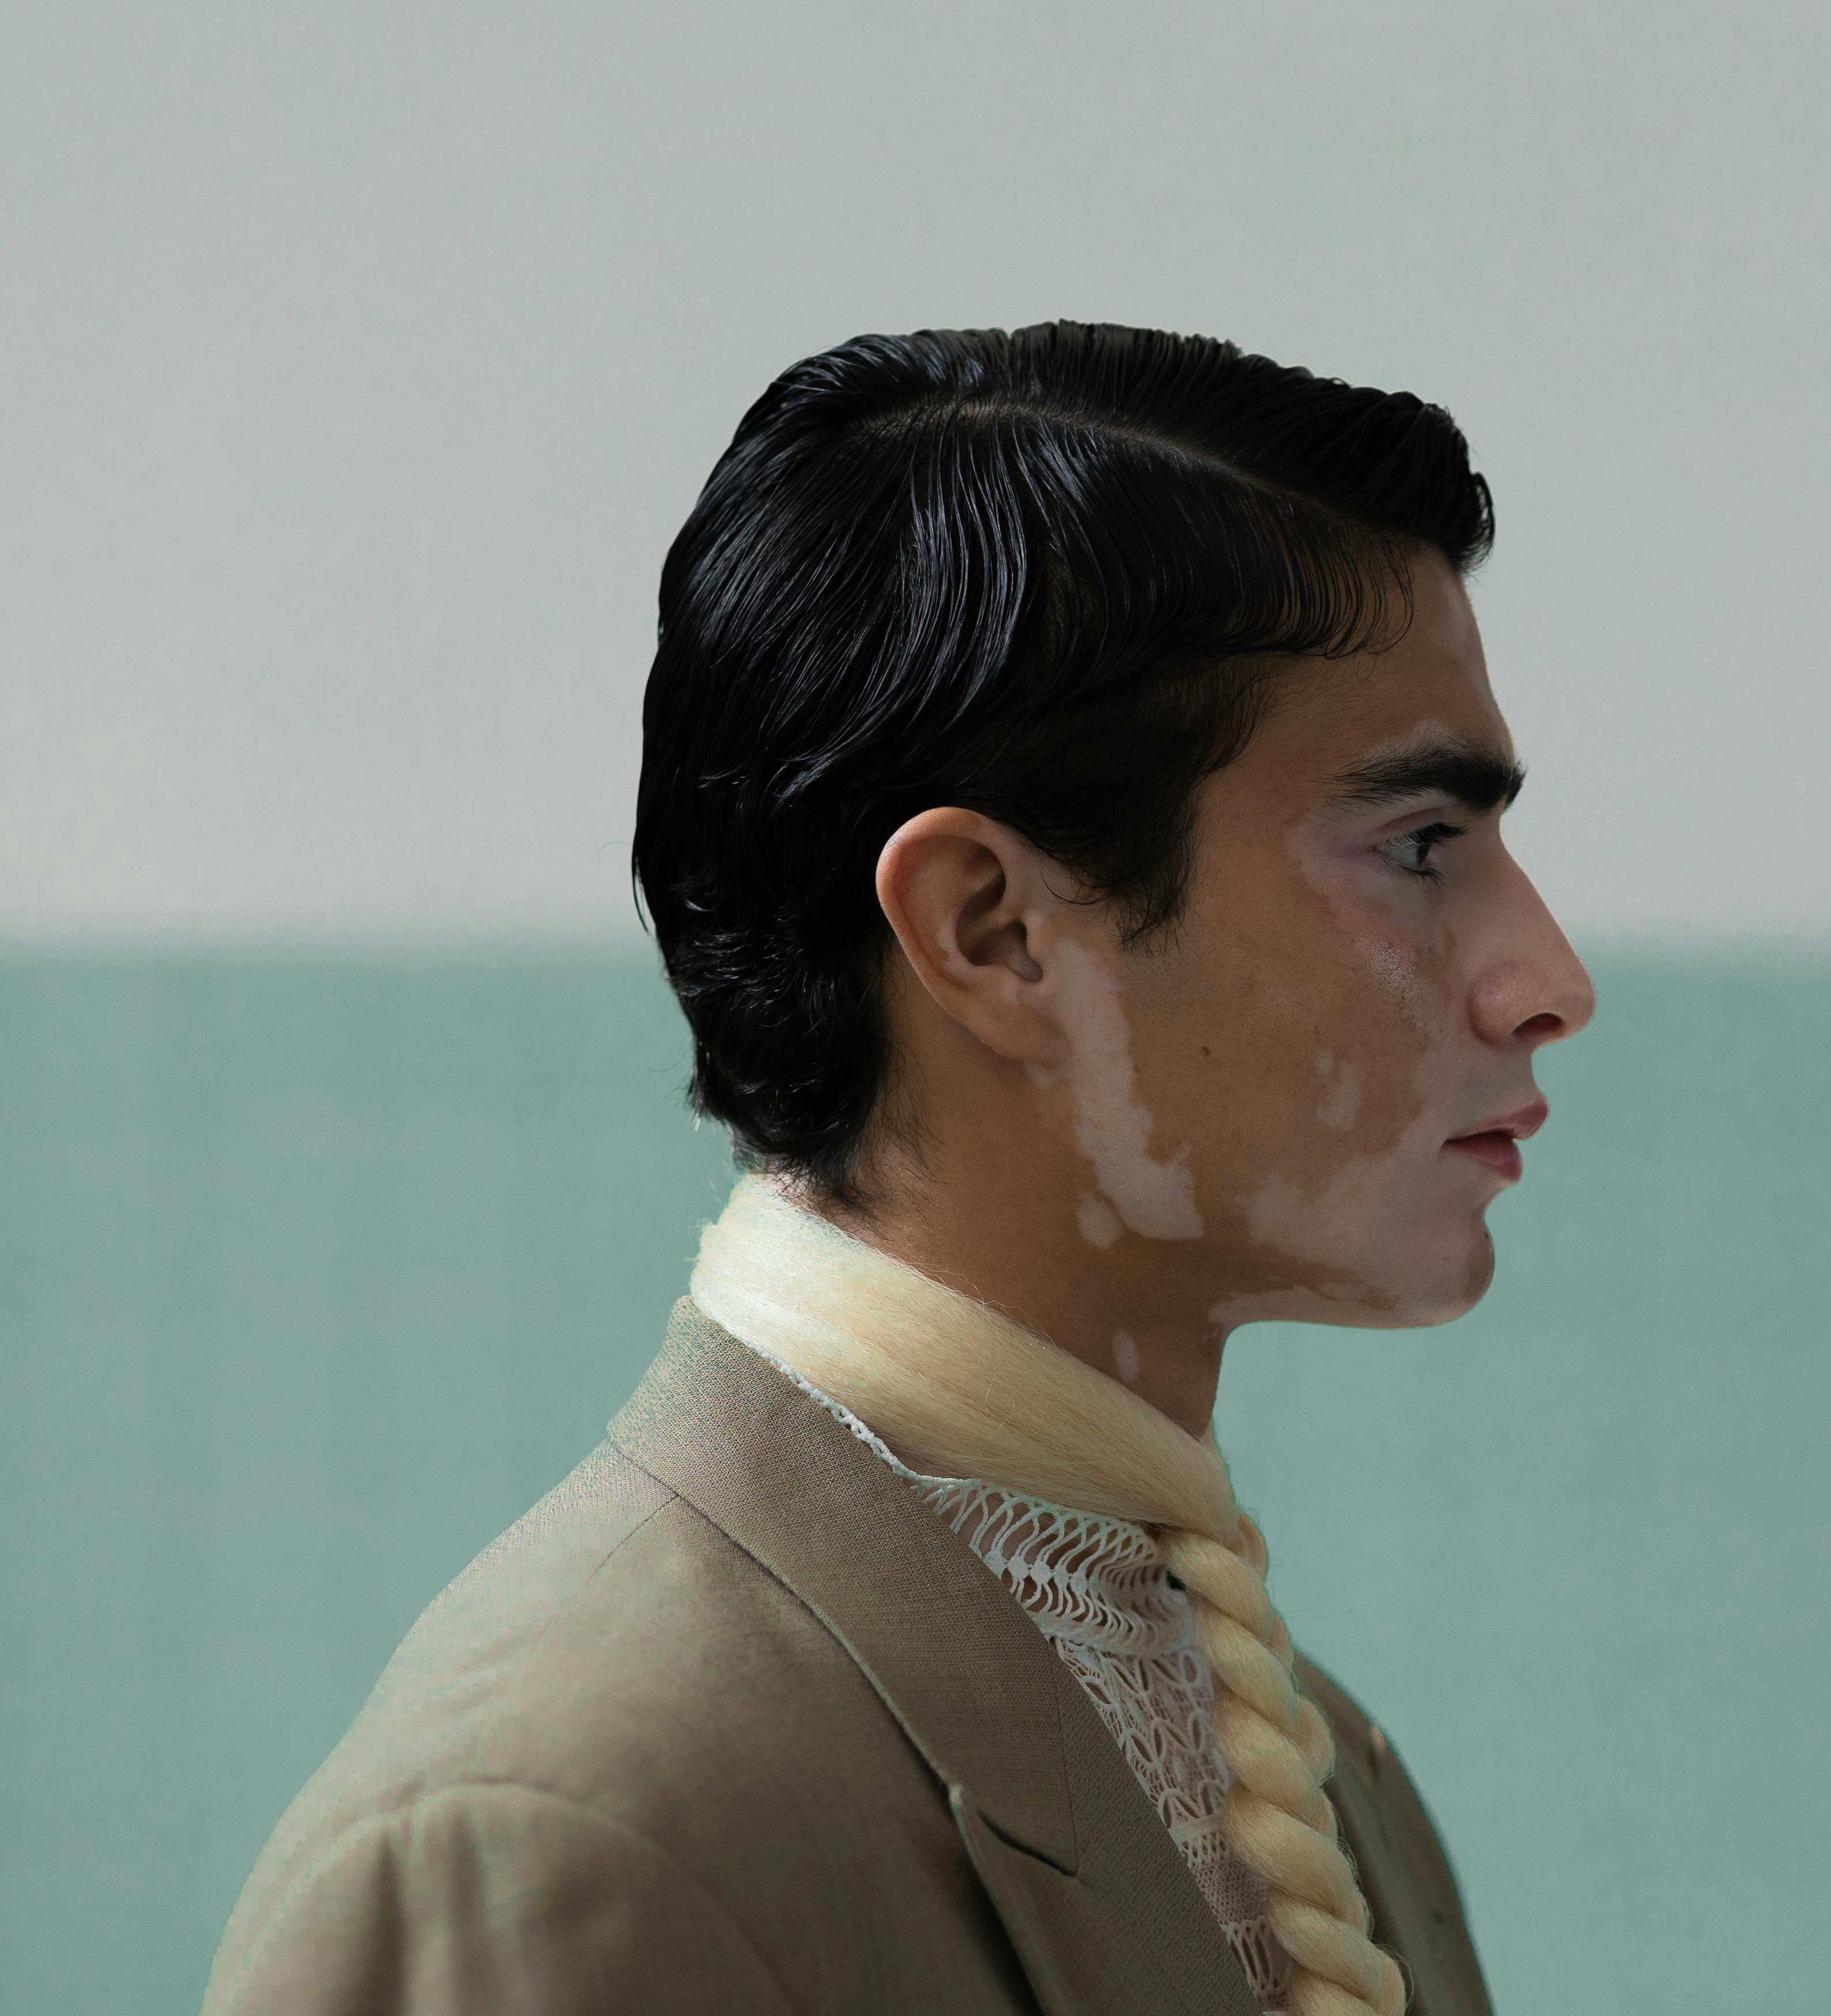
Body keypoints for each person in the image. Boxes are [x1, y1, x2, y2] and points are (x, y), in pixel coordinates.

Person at [199, 323, 1593, 2016]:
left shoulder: (1293, 1756)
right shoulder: (561, 1828)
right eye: (1420, 845)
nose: (1543, 976)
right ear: (992, 933)